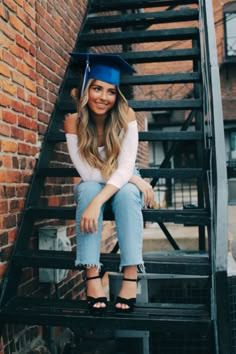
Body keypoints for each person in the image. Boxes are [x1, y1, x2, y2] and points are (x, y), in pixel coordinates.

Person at [64, 53, 154, 314]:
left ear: (118, 95)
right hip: (95, 177)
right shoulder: (73, 122)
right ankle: (92, 275)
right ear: (85, 90)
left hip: (123, 177)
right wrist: (134, 178)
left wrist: (129, 178)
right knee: (89, 188)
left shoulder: (126, 114)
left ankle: (130, 273)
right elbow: (88, 172)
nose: (103, 97)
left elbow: (125, 166)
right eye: (97, 88)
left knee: (126, 194)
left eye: (111, 91)